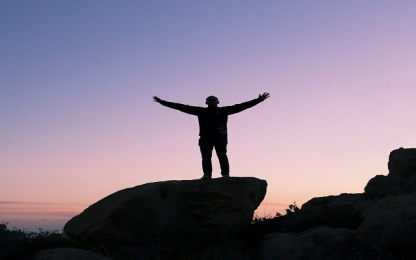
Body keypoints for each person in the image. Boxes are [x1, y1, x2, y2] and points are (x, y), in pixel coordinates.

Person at [153, 92, 270, 180]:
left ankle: (225, 175)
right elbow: (181, 107)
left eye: (214, 99)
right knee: (206, 157)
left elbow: (242, 106)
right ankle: (207, 175)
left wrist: (259, 100)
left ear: (218, 102)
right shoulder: (201, 111)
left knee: (222, 155)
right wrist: (162, 102)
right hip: (205, 138)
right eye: (209, 99)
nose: (211, 100)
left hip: (220, 137)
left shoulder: (224, 110)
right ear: (206, 103)